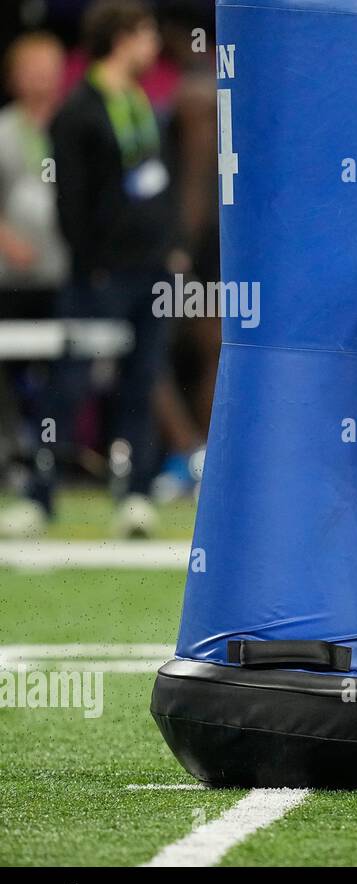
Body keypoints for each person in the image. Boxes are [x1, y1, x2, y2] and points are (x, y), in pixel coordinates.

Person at [1, 0, 177, 538]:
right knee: (68, 385)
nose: (154, 46)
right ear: (121, 38)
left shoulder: (139, 102)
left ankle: (135, 493)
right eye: (145, 34)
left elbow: (153, 182)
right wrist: (90, 264)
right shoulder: (79, 109)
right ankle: (38, 494)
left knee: (141, 380)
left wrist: (169, 249)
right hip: (100, 275)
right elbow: (70, 204)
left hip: (150, 269)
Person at [0, 32, 69, 478]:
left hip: (64, 274)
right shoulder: (5, 131)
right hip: (9, 276)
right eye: (31, 67)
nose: (41, 77)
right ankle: (11, 451)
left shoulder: (75, 124)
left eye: (50, 66)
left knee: (67, 369)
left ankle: (56, 457)